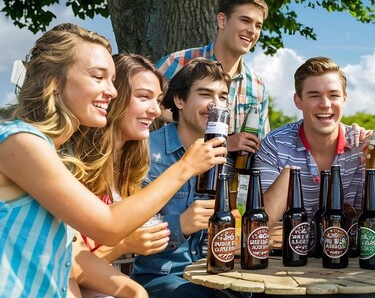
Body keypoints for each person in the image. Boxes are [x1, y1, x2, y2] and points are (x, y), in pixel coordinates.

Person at [0, 23, 226, 297]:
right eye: (98, 77)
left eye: (112, 80)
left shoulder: (51, 150)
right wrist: (186, 167)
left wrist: (134, 292)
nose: (113, 91)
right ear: (54, 81)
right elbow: (107, 228)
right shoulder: (19, 140)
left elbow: (71, 254)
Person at [69, 54, 170, 297]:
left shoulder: (128, 169)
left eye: (157, 100)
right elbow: (69, 264)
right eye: (143, 97)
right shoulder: (72, 164)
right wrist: (124, 244)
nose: (156, 110)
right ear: (114, 97)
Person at [131, 57, 232, 298]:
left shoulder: (225, 158)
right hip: (163, 278)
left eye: (223, 97)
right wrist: (180, 225)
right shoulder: (145, 152)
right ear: (179, 100)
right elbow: (124, 228)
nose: (216, 105)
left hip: (218, 276)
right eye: (206, 94)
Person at [156, 0, 270, 159]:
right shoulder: (177, 63)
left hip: (229, 180)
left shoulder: (257, 85)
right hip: (171, 170)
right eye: (245, 21)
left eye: (258, 25)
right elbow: (147, 111)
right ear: (222, 21)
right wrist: (223, 141)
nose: (252, 31)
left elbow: (262, 142)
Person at [255, 57, 365, 227]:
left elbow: (371, 222)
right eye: (314, 96)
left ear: (344, 99)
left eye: (333, 95)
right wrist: (291, 174)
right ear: (298, 101)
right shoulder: (274, 144)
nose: (325, 104)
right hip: (289, 253)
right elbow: (261, 223)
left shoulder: (362, 146)